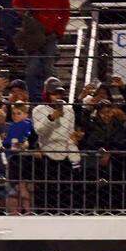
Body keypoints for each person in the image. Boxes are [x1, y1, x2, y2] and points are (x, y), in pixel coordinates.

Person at [11, 0, 70, 104]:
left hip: (51, 33)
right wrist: (27, 15)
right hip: (33, 32)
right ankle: (35, 100)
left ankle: (49, 100)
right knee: (33, 67)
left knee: (48, 68)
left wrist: (58, 31)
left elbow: (65, 11)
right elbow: (17, 2)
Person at [31, 80, 80, 209]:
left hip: (65, 152)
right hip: (47, 151)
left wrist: (75, 154)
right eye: (54, 94)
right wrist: (52, 118)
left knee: (66, 191)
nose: (57, 97)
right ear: (47, 94)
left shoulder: (69, 109)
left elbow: (70, 132)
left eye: (59, 93)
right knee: (46, 190)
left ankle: (65, 216)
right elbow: (39, 131)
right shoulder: (39, 110)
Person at [1, 100, 35, 214]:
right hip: (19, 157)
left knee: (20, 186)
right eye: (14, 113)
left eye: (18, 113)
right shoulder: (26, 124)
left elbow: (11, 142)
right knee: (21, 187)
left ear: (26, 114)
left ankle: (25, 210)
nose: (15, 116)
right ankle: (25, 210)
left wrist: (5, 141)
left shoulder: (22, 125)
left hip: (17, 158)